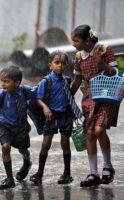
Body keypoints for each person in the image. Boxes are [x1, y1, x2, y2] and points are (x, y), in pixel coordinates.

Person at [71, 25, 119, 187]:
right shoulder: (78, 56)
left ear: (87, 40)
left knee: (99, 130)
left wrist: (100, 61)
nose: (73, 44)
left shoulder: (105, 50)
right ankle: (93, 174)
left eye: (76, 41)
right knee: (90, 133)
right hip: (90, 97)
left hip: (107, 95)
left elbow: (114, 73)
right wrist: (67, 97)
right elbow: (77, 80)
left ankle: (108, 166)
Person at [29, 51, 81, 185]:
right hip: (51, 115)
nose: (59, 66)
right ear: (50, 65)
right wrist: (45, 107)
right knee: (46, 144)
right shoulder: (46, 81)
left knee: (65, 144)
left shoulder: (66, 80)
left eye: (63, 63)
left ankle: (67, 174)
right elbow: (38, 99)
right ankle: (39, 173)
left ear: (66, 66)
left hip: (65, 115)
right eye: (56, 63)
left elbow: (70, 94)